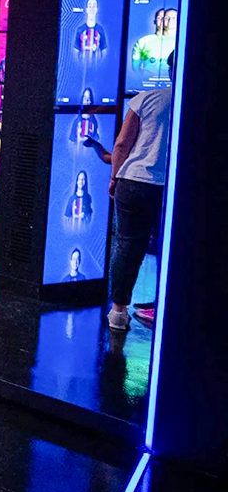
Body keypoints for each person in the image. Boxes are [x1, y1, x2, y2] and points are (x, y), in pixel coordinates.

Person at [100, 59, 173, 329]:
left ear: (169, 69)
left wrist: (114, 177)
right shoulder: (193, 100)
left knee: (127, 245)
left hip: (133, 181)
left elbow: (122, 143)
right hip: (170, 186)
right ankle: (163, 305)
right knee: (171, 247)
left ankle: (118, 311)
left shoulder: (146, 98)